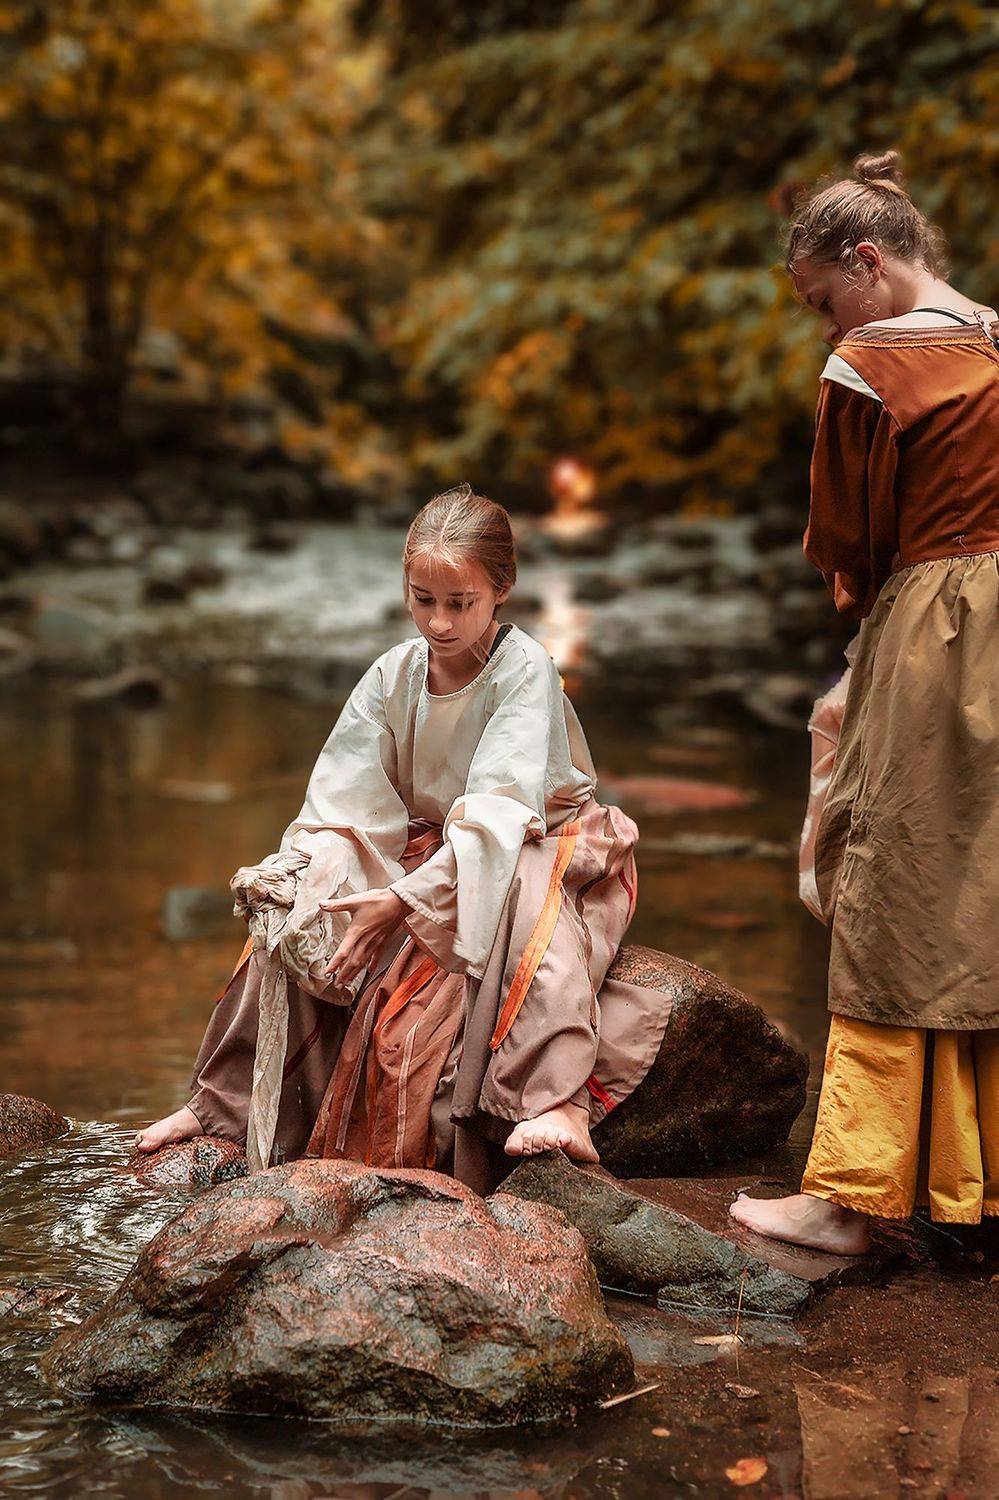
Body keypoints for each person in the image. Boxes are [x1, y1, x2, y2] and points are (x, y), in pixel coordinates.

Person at [135, 484, 670, 1193]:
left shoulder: (524, 671)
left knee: (525, 901)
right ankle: (222, 1106)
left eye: (461, 603)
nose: (440, 623)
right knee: (303, 900)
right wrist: (298, 869)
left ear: (501, 590)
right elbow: (345, 800)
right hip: (431, 843)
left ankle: (555, 1101)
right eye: (423, 600)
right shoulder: (395, 673)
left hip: (538, 835)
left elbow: (500, 809)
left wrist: (405, 901)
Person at [731, 151, 999, 1254]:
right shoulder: (993, 330)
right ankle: (973, 1182)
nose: (820, 323)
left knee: (893, 872)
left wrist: (862, 595)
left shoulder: (869, 360)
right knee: (986, 880)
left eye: (819, 298)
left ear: (870, 261)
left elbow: (847, 533)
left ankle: (854, 1191)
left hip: (942, 618)